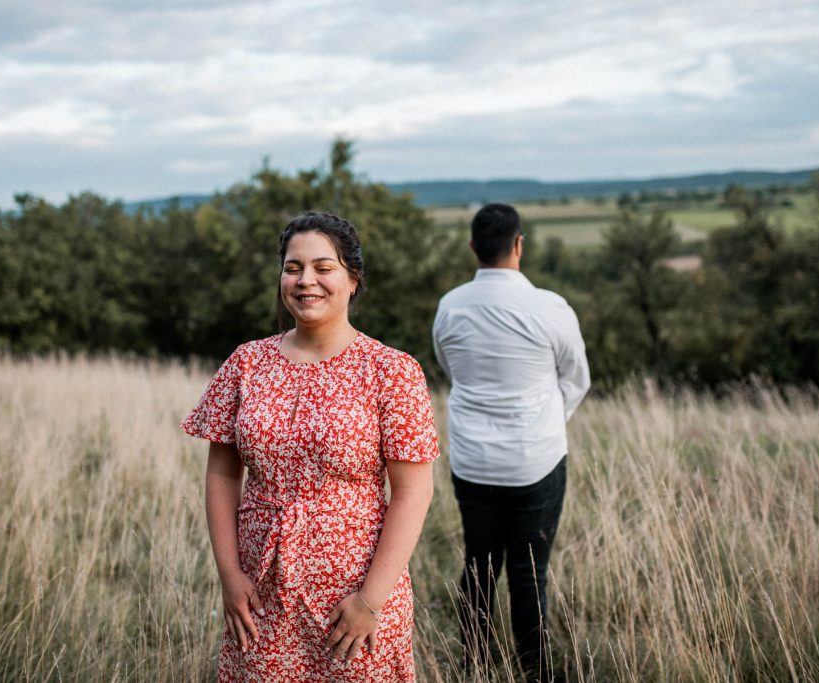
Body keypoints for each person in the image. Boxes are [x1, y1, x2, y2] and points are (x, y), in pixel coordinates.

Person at [181, 211, 440, 682]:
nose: (305, 281)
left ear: (352, 279)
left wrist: (369, 601)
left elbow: (414, 491)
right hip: (261, 592)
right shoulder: (247, 363)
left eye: (323, 268)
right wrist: (230, 575)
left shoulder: (391, 371)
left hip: (355, 597)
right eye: (293, 268)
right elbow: (221, 473)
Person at [431, 203, 590, 679]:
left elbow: (450, 368)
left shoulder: (450, 306)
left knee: (478, 565)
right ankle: (533, 671)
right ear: (519, 244)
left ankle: (475, 664)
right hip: (534, 462)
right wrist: (543, 423)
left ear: (473, 247)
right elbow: (577, 379)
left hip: (472, 461)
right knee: (528, 571)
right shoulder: (551, 307)